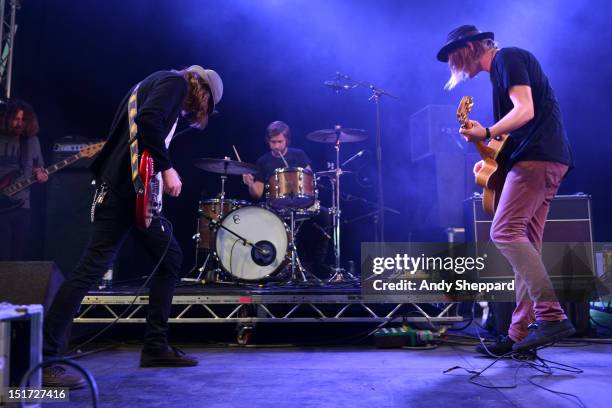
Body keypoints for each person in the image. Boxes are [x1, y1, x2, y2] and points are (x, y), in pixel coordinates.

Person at [42, 65, 223, 388]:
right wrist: (168, 170)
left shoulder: (156, 81)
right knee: (90, 270)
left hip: (130, 193)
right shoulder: (175, 83)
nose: (197, 113)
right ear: (203, 93)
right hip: (125, 193)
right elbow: (148, 120)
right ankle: (45, 359)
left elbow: (141, 132)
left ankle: (155, 346)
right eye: (206, 106)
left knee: (168, 259)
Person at [438, 25, 575, 355]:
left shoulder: (506, 58)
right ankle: (519, 334)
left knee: (504, 232)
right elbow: (521, 126)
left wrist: (486, 130)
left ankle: (551, 315)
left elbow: (525, 110)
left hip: (538, 160)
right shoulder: (501, 69)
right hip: (544, 159)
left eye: (454, 57)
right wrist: (487, 157)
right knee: (525, 247)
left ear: (469, 48)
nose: (453, 66)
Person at [242, 121, 330, 277]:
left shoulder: (299, 155)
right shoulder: (263, 161)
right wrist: (250, 184)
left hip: (302, 203)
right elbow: (257, 194)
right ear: (268, 141)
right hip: (276, 205)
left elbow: (309, 178)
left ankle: (316, 264)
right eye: (273, 142)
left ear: (287, 140)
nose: (276, 146)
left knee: (324, 215)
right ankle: (274, 267)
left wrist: (306, 176)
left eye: (280, 142)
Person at [0, 99, 48, 261]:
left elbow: (39, 168)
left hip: (22, 206)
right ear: (8, 118)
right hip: (1, 208)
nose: (19, 123)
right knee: (3, 255)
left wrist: (41, 175)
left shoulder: (32, 141)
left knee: (18, 257)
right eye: (16, 119)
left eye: (23, 120)